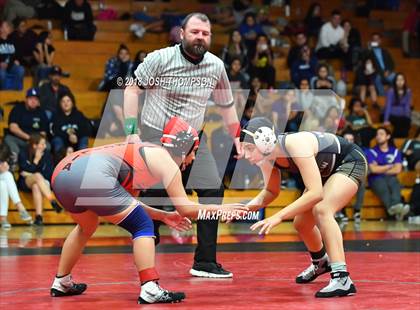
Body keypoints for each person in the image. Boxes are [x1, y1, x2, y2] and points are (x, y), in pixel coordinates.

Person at [49, 116, 246, 303]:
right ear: (183, 147)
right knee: (143, 225)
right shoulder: (165, 161)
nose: (193, 157)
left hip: (62, 174)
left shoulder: (145, 154)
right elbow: (185, 208)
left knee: (86, 227)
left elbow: (127, 203)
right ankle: (150, 287)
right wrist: (222, 209)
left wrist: (163, 215)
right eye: (193, 150)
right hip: (92, 175)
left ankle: (62, 281)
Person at [123, 13, 243, 278]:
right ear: (181, 33)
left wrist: (236, 136)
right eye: (195, 32)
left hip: (193, 141)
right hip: (156, 138)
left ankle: (205, 262)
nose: (200, 37)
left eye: (205, 33)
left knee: (212, 189)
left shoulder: (215, 66)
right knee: (154, 199)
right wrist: (131, 133)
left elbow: (226, 104)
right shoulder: (159, 58)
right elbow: (131, 90)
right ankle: (147, 265)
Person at [241, 116, 367, 297]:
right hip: (324, 172)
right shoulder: (267, 156)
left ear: (265, 140)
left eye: (249, 148)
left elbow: (315, 193)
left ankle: (342, 278)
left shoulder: (295, 144)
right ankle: (321, 262)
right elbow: (271, 192)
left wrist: (279, 215)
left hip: (349, 161)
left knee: (322, 210)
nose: (245, 155)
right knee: (301, 223)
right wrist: (244, 209)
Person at [366, 127, 410, 221]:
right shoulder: (371, 151)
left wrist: (380, 168)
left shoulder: (395, 151)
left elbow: (398, 169)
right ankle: (397, 210)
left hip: (390, 178)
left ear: (388, 136)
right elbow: (373, 170)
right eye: (377, 134)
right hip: (375, 178)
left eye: (381, 134)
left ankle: (393, 209)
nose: (378, 136)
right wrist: (389, 166)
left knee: (394, 182)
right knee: (382, 185)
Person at [17, 133, 60, 226]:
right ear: (34, 145)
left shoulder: (47, 154)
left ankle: (39, 217)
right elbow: (22, 169)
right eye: (42, 144)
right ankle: (52, 200)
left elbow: (48, 173)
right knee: (37, 176)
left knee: (36, 185)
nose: (45, 146)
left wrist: (29, 173)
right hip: (26, 182)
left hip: (43, 183)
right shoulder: (23, 152)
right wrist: (36, 160)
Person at [3, 87, 49, 160]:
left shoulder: (41, 112)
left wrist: (37, 141)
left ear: (38, 102)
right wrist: (29, 138)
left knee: (47, 146)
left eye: (36, 99)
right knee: (8, 139)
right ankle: (15, 162)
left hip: (35, 140)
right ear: (26, 99)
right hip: (19, 139)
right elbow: (13, 127)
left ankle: (39, 166)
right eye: (31, 98)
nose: (33, 101)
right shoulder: (17, 109)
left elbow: (43, 132)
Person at [0, 143, 32, 229]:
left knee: (6, 178)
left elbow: (13, 170)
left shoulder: (6, 150)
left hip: (3, 180)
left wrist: (6, 167)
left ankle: (3, 218)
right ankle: (20, 207)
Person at [383, 73, 412, 138]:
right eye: (398, 80)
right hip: (391, 114)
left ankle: (403, 141)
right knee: (399, 122)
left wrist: (408, 116)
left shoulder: (408, 91)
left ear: (404, 81)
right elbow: (388, 106)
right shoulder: (391, 91)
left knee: (407, 121)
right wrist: (386, 120)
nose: (400, 82)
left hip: (402, 114)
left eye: (402, 80)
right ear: (395, 81)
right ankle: (396, 140)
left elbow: (407, 106)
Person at [0, 20, 24, 90]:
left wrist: (16, 60)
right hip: (1, 67)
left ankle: (14, 91)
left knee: (21, 69)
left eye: (9, 26)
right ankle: (4, 93)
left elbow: (16, 54)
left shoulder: (12, 40)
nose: (9, 28)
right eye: (6, 26)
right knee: (2, 74)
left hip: (10, 65)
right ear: (1, 29)